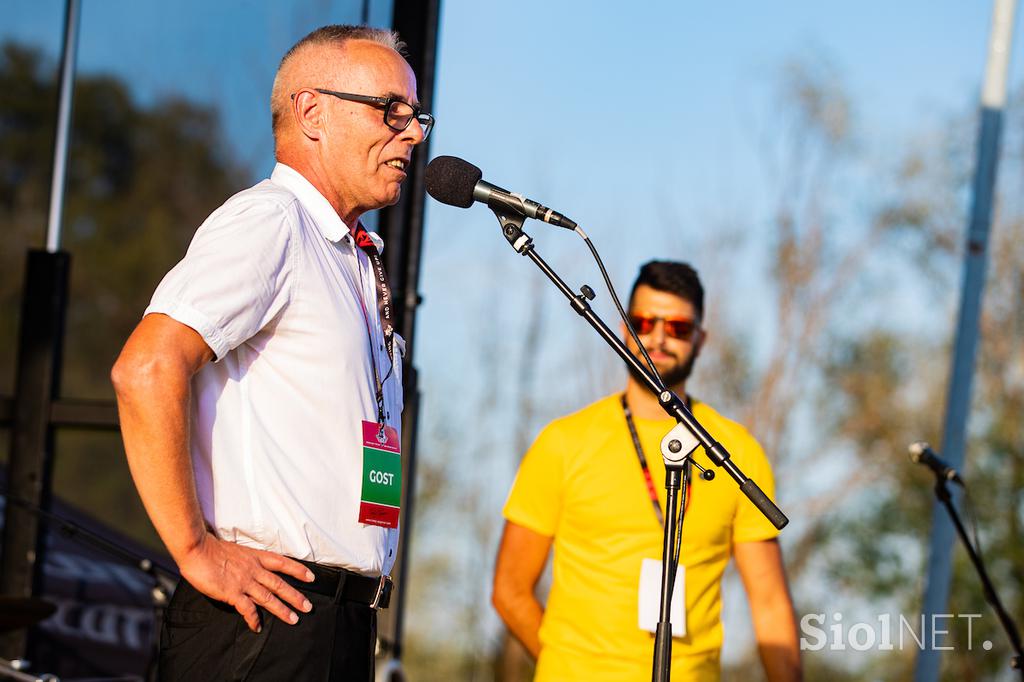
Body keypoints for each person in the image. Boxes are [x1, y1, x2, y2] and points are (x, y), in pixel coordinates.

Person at [110, 24, 432, 681]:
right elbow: (146, 368)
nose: (414, 133)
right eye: (391, 110)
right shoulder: (273, 222)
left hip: (333, 623)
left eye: (417, 115)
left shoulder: (352, 255)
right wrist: (195, 549)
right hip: (263, 622)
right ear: (312, 112)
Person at [492, 261, 802, 681]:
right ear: (624, 330)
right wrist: (567, 666)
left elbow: (769, 604)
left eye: (677, 328)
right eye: (644, 322)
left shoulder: (737, 451)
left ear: (700, 339)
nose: (658, 337)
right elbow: (510, 591)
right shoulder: (563, 442)